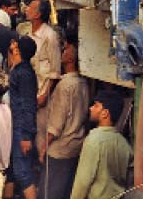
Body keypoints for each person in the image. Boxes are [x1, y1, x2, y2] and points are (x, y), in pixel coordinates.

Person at [38, 41, 90, 199]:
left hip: (59, 149)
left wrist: (44, 147)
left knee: (49, 193)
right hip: (74, 145)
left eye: (65, 49)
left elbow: (56, 123)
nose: (61, 52)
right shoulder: (83, 83)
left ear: (71, 59)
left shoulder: (65, 85)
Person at [69, 91, 132, 199]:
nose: (91, 108)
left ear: (105, 113)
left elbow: (83, 181)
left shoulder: (93, 141)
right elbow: (129, 179)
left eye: (96, 105)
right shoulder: (124, 144)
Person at [25, 0, 61, 155]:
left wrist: (45, 94)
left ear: (38, 14)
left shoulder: (50, 36)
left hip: (42, 96)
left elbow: (55, 70)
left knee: (40, 136)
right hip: (28, 93)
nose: (26, 9)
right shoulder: (27, 33)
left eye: (31, 7)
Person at [8, 36, 39, 199]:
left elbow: (29, 105)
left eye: (15, 44)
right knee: (13, 170)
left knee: (22, 172)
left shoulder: (24, 74)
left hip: (21, 129)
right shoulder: (19, 69)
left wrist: (26, 135)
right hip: (15, 127)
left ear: (18, 50)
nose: (12, 45)